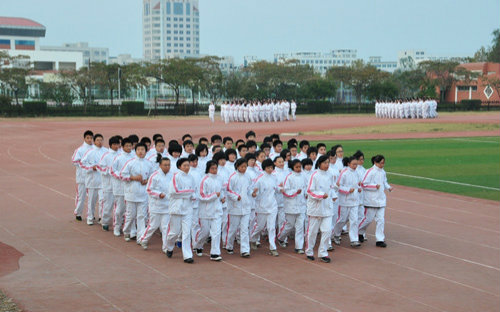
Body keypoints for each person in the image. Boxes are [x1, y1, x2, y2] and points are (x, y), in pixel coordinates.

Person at [120, 143, 155, 243]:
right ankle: (127, 231)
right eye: (138, 149)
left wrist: (147, 180)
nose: (140, 152)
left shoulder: (149, 163)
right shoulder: (130, 163)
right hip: (131, 193)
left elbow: (153, 177)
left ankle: (140, 236)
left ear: (146, 151)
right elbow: (122, 176)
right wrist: (134, 178)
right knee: (131, 214)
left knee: (142, 216)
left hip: (143, 194)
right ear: (135, 151)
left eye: (142, 149)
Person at [305, 155, 337, 263]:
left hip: (327, 208)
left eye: (328, 163)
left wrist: (333, 196)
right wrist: (321, 195)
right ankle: (309, 251)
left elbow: (331, 188)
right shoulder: (314, 175)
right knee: (312, 232)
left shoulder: (330, 175)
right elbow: (309, 191)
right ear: (319, 164)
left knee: (327, 231)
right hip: (316, 208)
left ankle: (323, 253)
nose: (327, 165)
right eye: (325, 163)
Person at [165, 158, 196, 263]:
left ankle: (187, 255)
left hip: (187, 208)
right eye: (185, 165)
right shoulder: (176, 177)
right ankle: (169, 246)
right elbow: (174, 192)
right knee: (174, 232)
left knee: (187, 233)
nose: (187, 167)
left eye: (188, 165)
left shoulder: (191, 178)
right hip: (176, 208)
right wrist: (188, 193)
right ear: (179, 167)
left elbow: (193, 191)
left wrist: (192, 195)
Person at [139, 156, 173, 252]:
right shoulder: (154, 176)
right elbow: (149, 190)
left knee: (166, 227)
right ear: (160, 165)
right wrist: (159, 194)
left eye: (168, 165)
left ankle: (165, 247)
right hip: (156, 206)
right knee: (153, 225)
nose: (167, 167)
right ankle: (144, 239)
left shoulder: (172, 176)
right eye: (165, 165)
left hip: (167, 206)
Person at [194, 161, 225, 261]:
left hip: (217, 210)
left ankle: (215, 253)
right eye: (212, 168)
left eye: (216, 168)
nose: (214, 170)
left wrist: (222, 198)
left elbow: (222, 191)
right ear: (208, 169)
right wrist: (215, 195)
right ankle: (198, 245)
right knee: (205, 232)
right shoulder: (204, 180)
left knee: (216, 232)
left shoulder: (220, 179)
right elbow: (201, 196)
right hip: (205, 211)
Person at [359, 155, 393, 248]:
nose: (383, 164)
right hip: (371, 200)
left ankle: (380, 239)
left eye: (383, 162)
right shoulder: (369, 172)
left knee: (381, 220)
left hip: (381, 200)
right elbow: (364, 184)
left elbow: (384, 182)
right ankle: (358, 232)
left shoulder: (383, 172)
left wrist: (388, 187)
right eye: (381, 162)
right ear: (375, 162)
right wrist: (374, 186)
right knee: (368, 220)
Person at [250, 159, 281, 256]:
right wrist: (254, 194)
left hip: (272, 206)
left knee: (271, 227)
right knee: (260, 226)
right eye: (268, 168)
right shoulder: (259, 179)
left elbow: (276, 189)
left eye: (271, 167)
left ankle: (273, 248)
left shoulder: (274, 177)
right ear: (264, 168)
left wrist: (283, 189)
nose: (270, 169)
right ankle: (252, 239)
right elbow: (255, 192)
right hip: (262, 206)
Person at [224, 158, 253, 257]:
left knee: (245, 229)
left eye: (245, 167)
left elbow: (249, 188)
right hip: (234, 207)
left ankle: (245, 250)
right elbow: (228, 191)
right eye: (242, 167)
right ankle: (229, 245)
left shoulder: (248, 176)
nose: (244, 168)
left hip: (246, 207)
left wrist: (252, 192)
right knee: (233, 228)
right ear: (237, 167)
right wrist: (236, 197)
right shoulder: (232, 177)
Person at [277, 159, 307, 253]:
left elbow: (306, 187)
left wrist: (305, 194)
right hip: (291, 205)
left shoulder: (303, 176)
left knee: (300, 226)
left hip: (301, 205)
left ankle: (299, 247)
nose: (299, 169)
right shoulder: (289, 177)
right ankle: (280, 237)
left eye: (300, 167)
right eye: (296, 167)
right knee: (289, 225)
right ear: (292, 167)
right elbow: (285, 191)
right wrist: (295, 192)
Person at [333, 156, 361, 247]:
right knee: (342, 219)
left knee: (354, 220)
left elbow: (357, 185)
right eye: (353, 164)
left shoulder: (357, 173)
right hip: (344, 201)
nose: (355, 166)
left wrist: (358, 189)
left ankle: (354, 239)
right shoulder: (344, 173)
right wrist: (348, 190)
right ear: (348, 164)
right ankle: (336, 234)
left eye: (356, 164)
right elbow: (338, 186)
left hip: (354, 201)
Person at [80, 133, 107, 225]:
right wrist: (92, 167)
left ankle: (101, 217)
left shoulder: (106, 151)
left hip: (103, 181)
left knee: (102, 200)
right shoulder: (89, 152)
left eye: (101, 140)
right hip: (92, 180)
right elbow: (82, 164)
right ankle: (90, 217)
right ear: (94, 141)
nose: (100, 142)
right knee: (92, 201)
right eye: (98, 140)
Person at [110, 138, 134, 237]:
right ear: (122, 146)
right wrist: (121, 176)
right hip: (120, 187)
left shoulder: (134, 157)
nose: (129, 148)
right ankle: (117, 226)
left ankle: (130, 230)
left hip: (131, 186)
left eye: (130, 146)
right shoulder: (118, 157)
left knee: (131, 210)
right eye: (127, 146)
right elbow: (112, 170)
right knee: (120, 209)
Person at [98, 136, 121, 231]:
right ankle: (105, 221)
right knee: (108, 204)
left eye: (118, 144)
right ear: (111, 145)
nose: (116, 146)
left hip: (119, 184)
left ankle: (118, 223)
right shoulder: (106, 155)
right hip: (108, 184)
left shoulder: (121, 155)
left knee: (119, 205)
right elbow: (100, 167)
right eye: (114, 144)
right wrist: (109, 171)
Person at [72, 130, 94, 221]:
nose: (89, 140)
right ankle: (78, 212)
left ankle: (90, 214)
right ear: (84, 138)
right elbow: (74, 161)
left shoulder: (94, 149)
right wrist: (84, 165)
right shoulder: (79, 150)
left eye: (91, 138)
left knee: (92, 197)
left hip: (92, 177)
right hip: (82, 177)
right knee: (81, 196)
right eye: (87, 138)